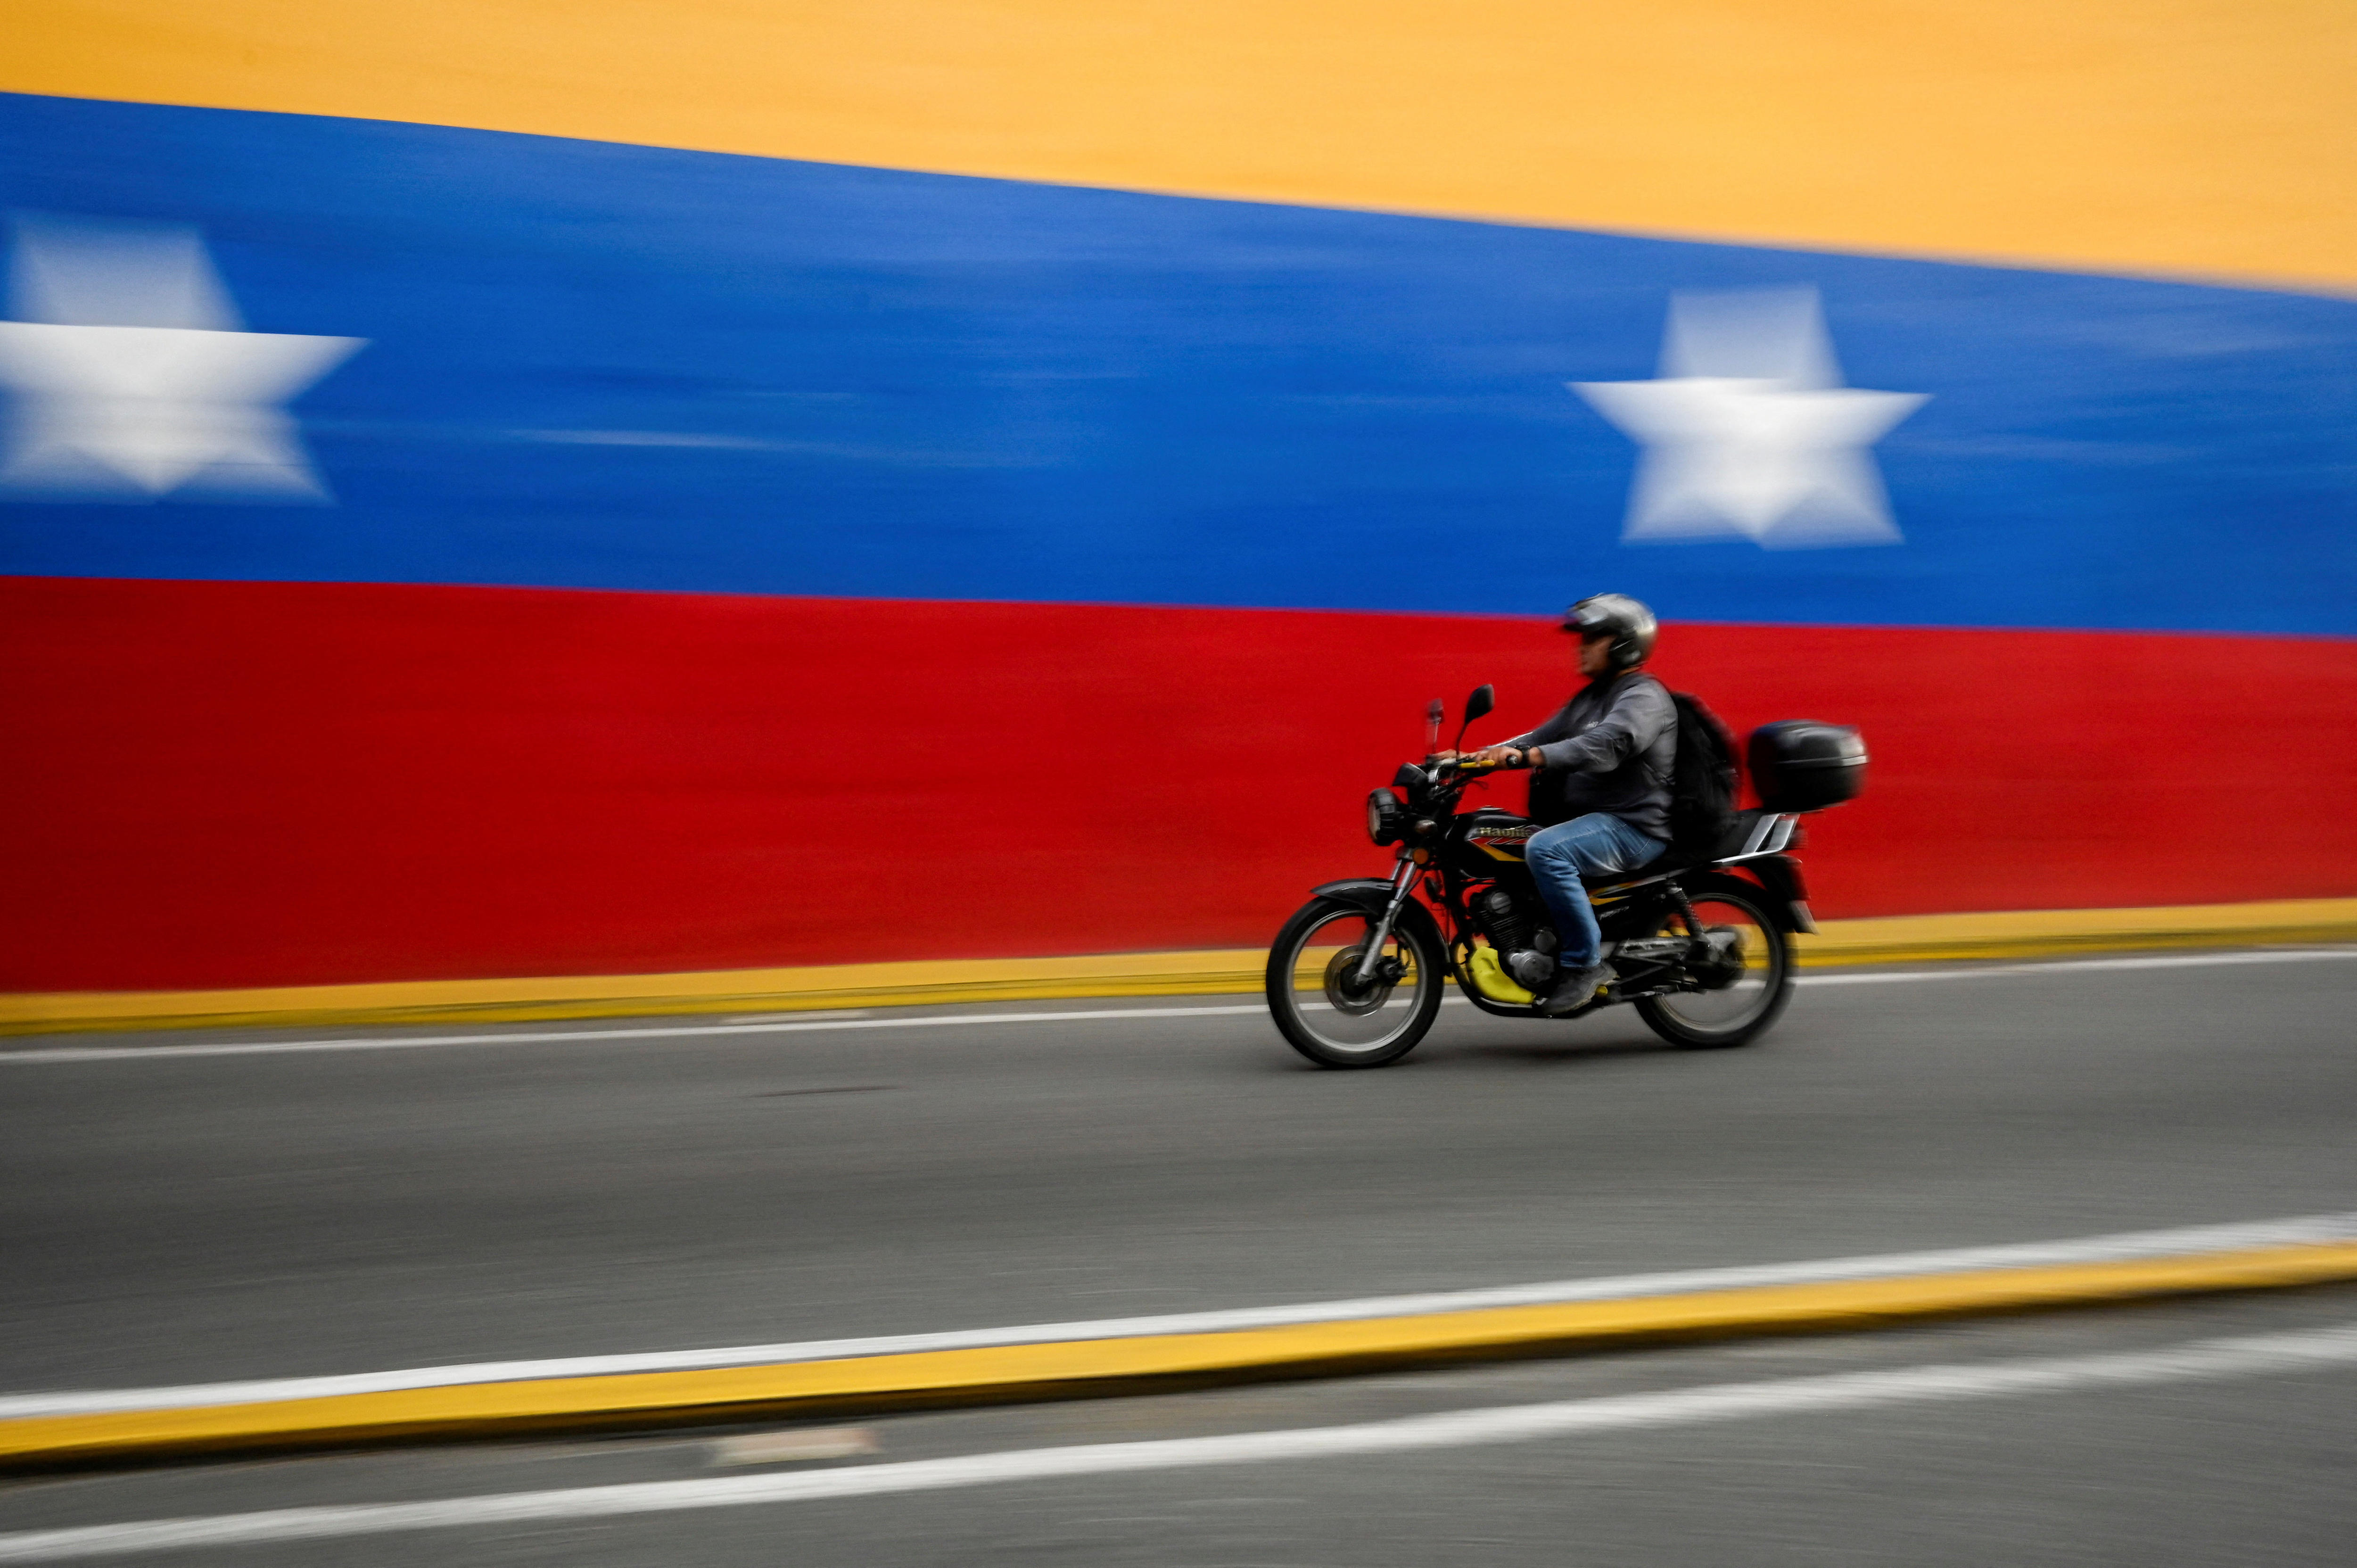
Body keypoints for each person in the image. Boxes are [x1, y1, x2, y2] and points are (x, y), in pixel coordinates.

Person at [1465, 594, 1674, 1015]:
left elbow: (1609, 743)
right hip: (1598, 822)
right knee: (1514, 841)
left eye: (1593, 637)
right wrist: (1471, 758)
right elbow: (1537, 738)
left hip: (1634, 826)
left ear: (1624, 644)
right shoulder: (1590, 699)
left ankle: (1584, 964)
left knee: (1546, 849)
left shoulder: (1643, 696)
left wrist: (1530, 757)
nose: (1581, 646)